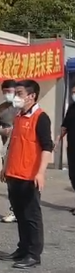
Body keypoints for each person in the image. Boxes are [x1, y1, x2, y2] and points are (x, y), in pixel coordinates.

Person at [0, 80, 53, 269]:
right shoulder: (18, 116)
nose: (16, 97)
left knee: (31, 216)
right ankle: (22, 248)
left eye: (19, 93)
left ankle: (33, 254)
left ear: (32, 96)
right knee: (20, 215)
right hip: (14, 174)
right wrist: (5, 167)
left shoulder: (41, 117)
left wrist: (41, 173)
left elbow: (47, 147)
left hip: (29, 176)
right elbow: (12, 144)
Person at [0, 79, 19, 223]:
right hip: (7, 150)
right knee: (10, 180)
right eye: (4, 92)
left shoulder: (23, 107)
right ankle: (14, 209)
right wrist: (3, 131)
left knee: (25, 181)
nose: (7, 94)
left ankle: (26, 209)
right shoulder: (1, 109)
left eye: (10, 91)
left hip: (24, 149)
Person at [57, 83, 75, 214]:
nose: (73, 94)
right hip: (72, 149)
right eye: (73, 92)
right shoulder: (72, 108)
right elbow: (64, 127)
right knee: (73, 176)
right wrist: (57, 141)